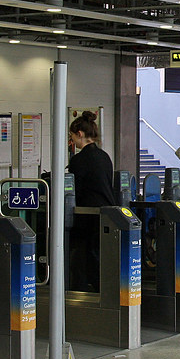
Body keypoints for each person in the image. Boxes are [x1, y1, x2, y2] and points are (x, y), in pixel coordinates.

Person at [66, 111, 114, 291]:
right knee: (100, 255)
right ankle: (104, 290)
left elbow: (73, 189)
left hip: (87, 217)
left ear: (79, 134)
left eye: (72, 136)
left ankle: (88, 291)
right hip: (106, 214)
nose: (72, 141)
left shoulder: (79, 160)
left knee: (84, 256)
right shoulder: (104, 156)